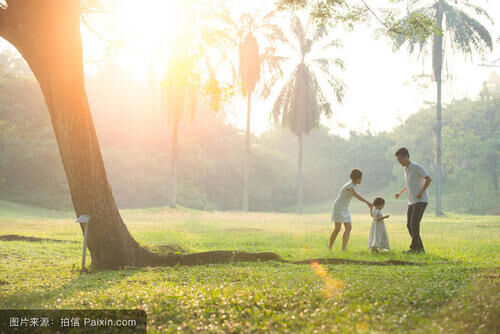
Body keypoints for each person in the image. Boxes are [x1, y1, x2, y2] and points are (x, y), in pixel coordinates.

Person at [394, 147, 432, 254]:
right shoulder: (405, 169)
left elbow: (429, 179)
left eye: (400, 160)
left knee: (414, 224)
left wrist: (421, 192)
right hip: (411, 201)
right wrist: (400, 193)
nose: (400, 162)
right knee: (409, 225)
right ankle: (419, 248)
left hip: (421, 200)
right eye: (398, 161)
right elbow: (409, 184)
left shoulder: (416, 167)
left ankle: (414, 248)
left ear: (406, 157)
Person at [329, 169, 373, 251]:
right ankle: (330, 248)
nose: (361, 179)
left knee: (348, 228)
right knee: (337, 229)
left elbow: (356, 194)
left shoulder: (353, 185)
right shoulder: (350, 186)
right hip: (338, 207)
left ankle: (343, 249)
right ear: (357, 178)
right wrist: (367, 202)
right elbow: (356, 195)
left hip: (345, 208)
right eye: (361, 178)